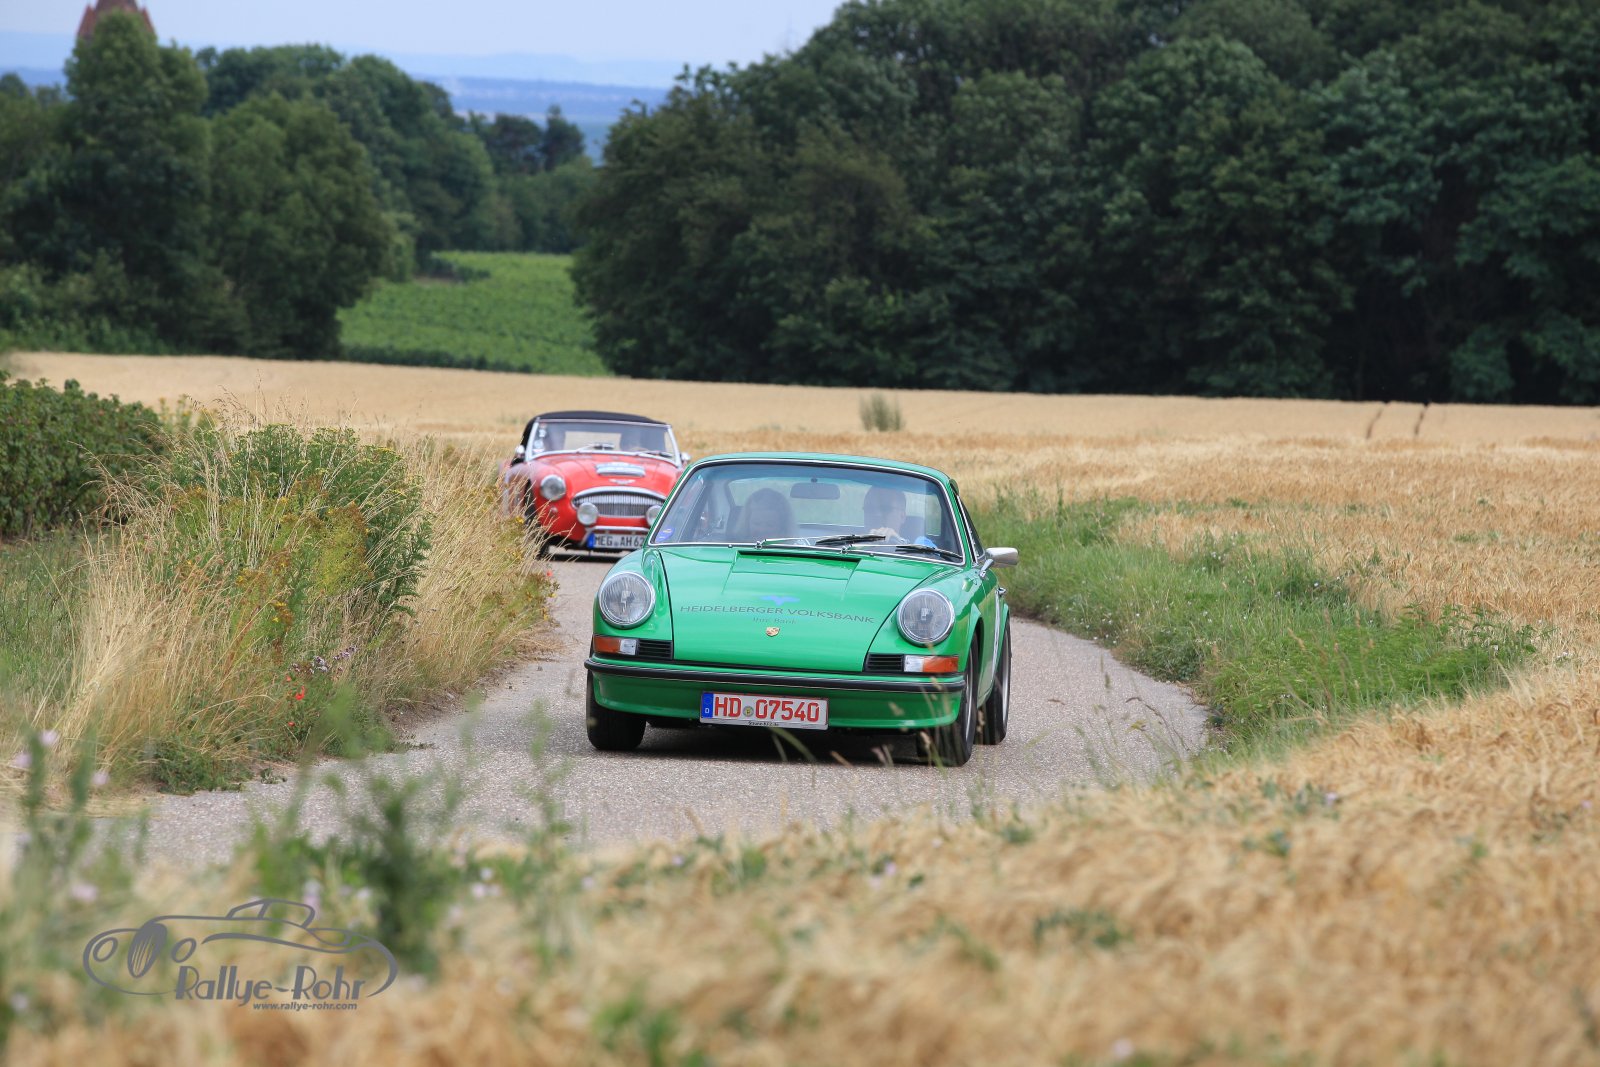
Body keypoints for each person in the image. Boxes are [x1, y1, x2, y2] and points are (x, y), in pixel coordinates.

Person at [863, 485, 937, 547]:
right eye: (869, 509)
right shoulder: (856, 543)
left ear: (902, 516)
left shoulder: (919, 542)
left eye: (885, 509)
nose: (877, 514)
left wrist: (900, 543)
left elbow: (935, 557)